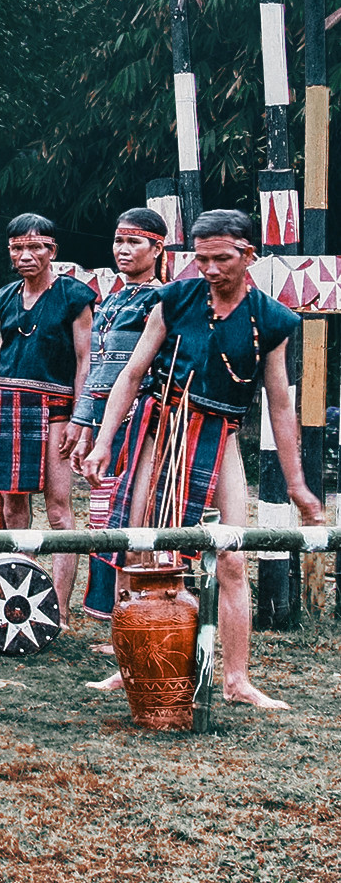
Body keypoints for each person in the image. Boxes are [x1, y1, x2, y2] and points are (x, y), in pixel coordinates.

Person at [82, 210, 323, 708]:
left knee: (232, 556)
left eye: (221, 259)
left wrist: (297, 484)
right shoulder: (174, 298)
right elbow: (131, 374)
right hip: (161, 425)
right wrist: (105, 440)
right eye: (202, 258)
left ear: (247, 255)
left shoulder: (271, 321)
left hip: (219, 434)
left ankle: (237, 679)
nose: (210, 269)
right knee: (138, 548)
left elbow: (280, 405)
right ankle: (132, 665)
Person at [0, 213, 94, 622]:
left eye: (34, 247)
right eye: (17, 248)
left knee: (59, 508)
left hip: (57, 408)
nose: (25, 255)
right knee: (12, 506)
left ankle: (59, 608)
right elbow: (1, 359)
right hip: (10, 404)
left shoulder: (74, 296)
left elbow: (85, 361)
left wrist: (81, 420)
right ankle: (19, 602)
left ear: (52, 251)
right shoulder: (4, 297)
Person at [66, 207, 167, 618]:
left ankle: (139, 611)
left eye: (134, 242)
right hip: (105, 419)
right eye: (118, 241)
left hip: (142, 419)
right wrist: (86, 426)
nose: (123, 250)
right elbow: (97, 370)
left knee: (137, 513)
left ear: (156, 248)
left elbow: (139, 372)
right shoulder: (108, 302)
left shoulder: (162, 300)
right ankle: (113, 610)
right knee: (105, 514)